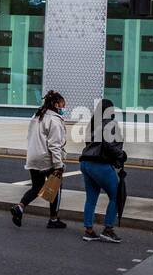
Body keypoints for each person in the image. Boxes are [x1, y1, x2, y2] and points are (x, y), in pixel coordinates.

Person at [11, 90, 67, 229]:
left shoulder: (37, 115)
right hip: (46, 159)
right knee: (55, 188)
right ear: (55, 104)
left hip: (33, 157)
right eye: (62, 105)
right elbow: (54, 145)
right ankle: (53, 219)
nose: (63, 108)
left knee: (37, 187)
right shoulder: (54, 120)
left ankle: (20, 207)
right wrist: (58, 165)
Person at [78, 98, 125, 243]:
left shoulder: (92, 124)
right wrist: (122, 156)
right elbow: (110, 146)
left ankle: (89, 230)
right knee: (116, 196)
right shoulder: (110, 124)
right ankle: (108, 229)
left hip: (85, 162)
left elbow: (89, 143)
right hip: (100, 164)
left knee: (91, 198)